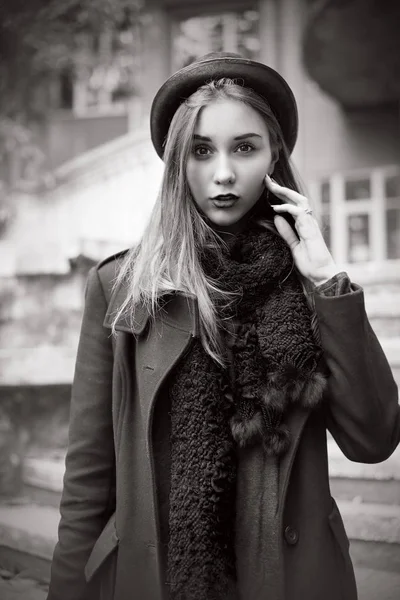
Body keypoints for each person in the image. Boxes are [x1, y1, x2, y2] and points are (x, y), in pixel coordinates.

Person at [47, 52, 400, 600]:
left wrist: (327, 282)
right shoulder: (124, 286)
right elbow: (88, 479)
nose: (224, 174)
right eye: (201, 151)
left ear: (273, 157)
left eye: (245, 147)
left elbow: (373, 439)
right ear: (175, 164)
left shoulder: (308, 286)